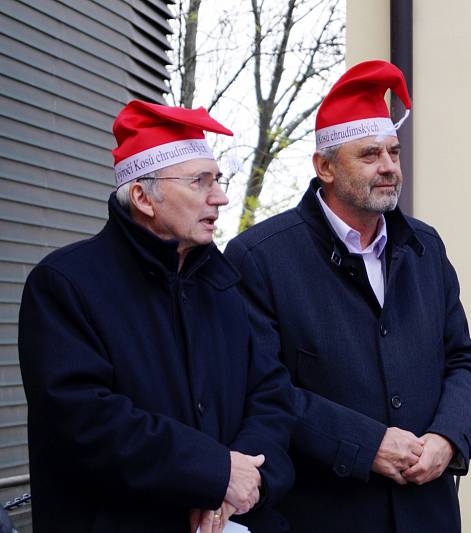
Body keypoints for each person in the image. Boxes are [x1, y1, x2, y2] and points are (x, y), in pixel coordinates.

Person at [224, 60, 471, 533]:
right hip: (322, 512)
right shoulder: (258, 257)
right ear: (324, 166)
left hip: (428, 512)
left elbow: (463, 359)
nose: (388, 167)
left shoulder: (426, 247)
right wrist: (367, 444)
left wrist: (449, 437)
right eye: (369, 155)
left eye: (394, 152)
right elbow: (261, 387)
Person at [18, 100, 294, 533]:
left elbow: (272, 396)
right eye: (201, 182)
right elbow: (85, 423)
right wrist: (212, 474)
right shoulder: (64, 285)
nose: (220, 197)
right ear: (144, 197)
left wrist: (239, 483)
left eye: (217, 180)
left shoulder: (224, 284)